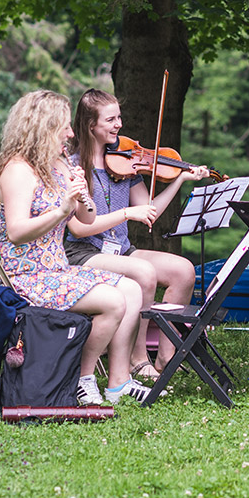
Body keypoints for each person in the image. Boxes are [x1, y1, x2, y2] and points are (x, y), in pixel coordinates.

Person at [0, 89, 152, 405]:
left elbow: (86, 221)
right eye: (63, 126)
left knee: (132, 290)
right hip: (25, 276)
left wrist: (81, 196)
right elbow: (18, 232)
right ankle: (82, 378)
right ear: (43, 127)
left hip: (55, 268)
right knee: (114, 302)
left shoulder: (58, 165)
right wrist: (61, 210)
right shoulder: (18, 170)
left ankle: (119, 381)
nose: (70, 133)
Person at [64, 88, 209, 380]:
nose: (119, 125)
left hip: (120, 250)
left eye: (119, 117)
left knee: (183, 270)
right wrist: (125, 214)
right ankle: (136, 357)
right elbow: (79, 228)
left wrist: (180, 178)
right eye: (110, 120)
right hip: (83, 252)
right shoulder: (73, 168)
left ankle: (166, 354)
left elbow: (148, 209)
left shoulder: (125, 164)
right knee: (143, 272)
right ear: (91, 125)